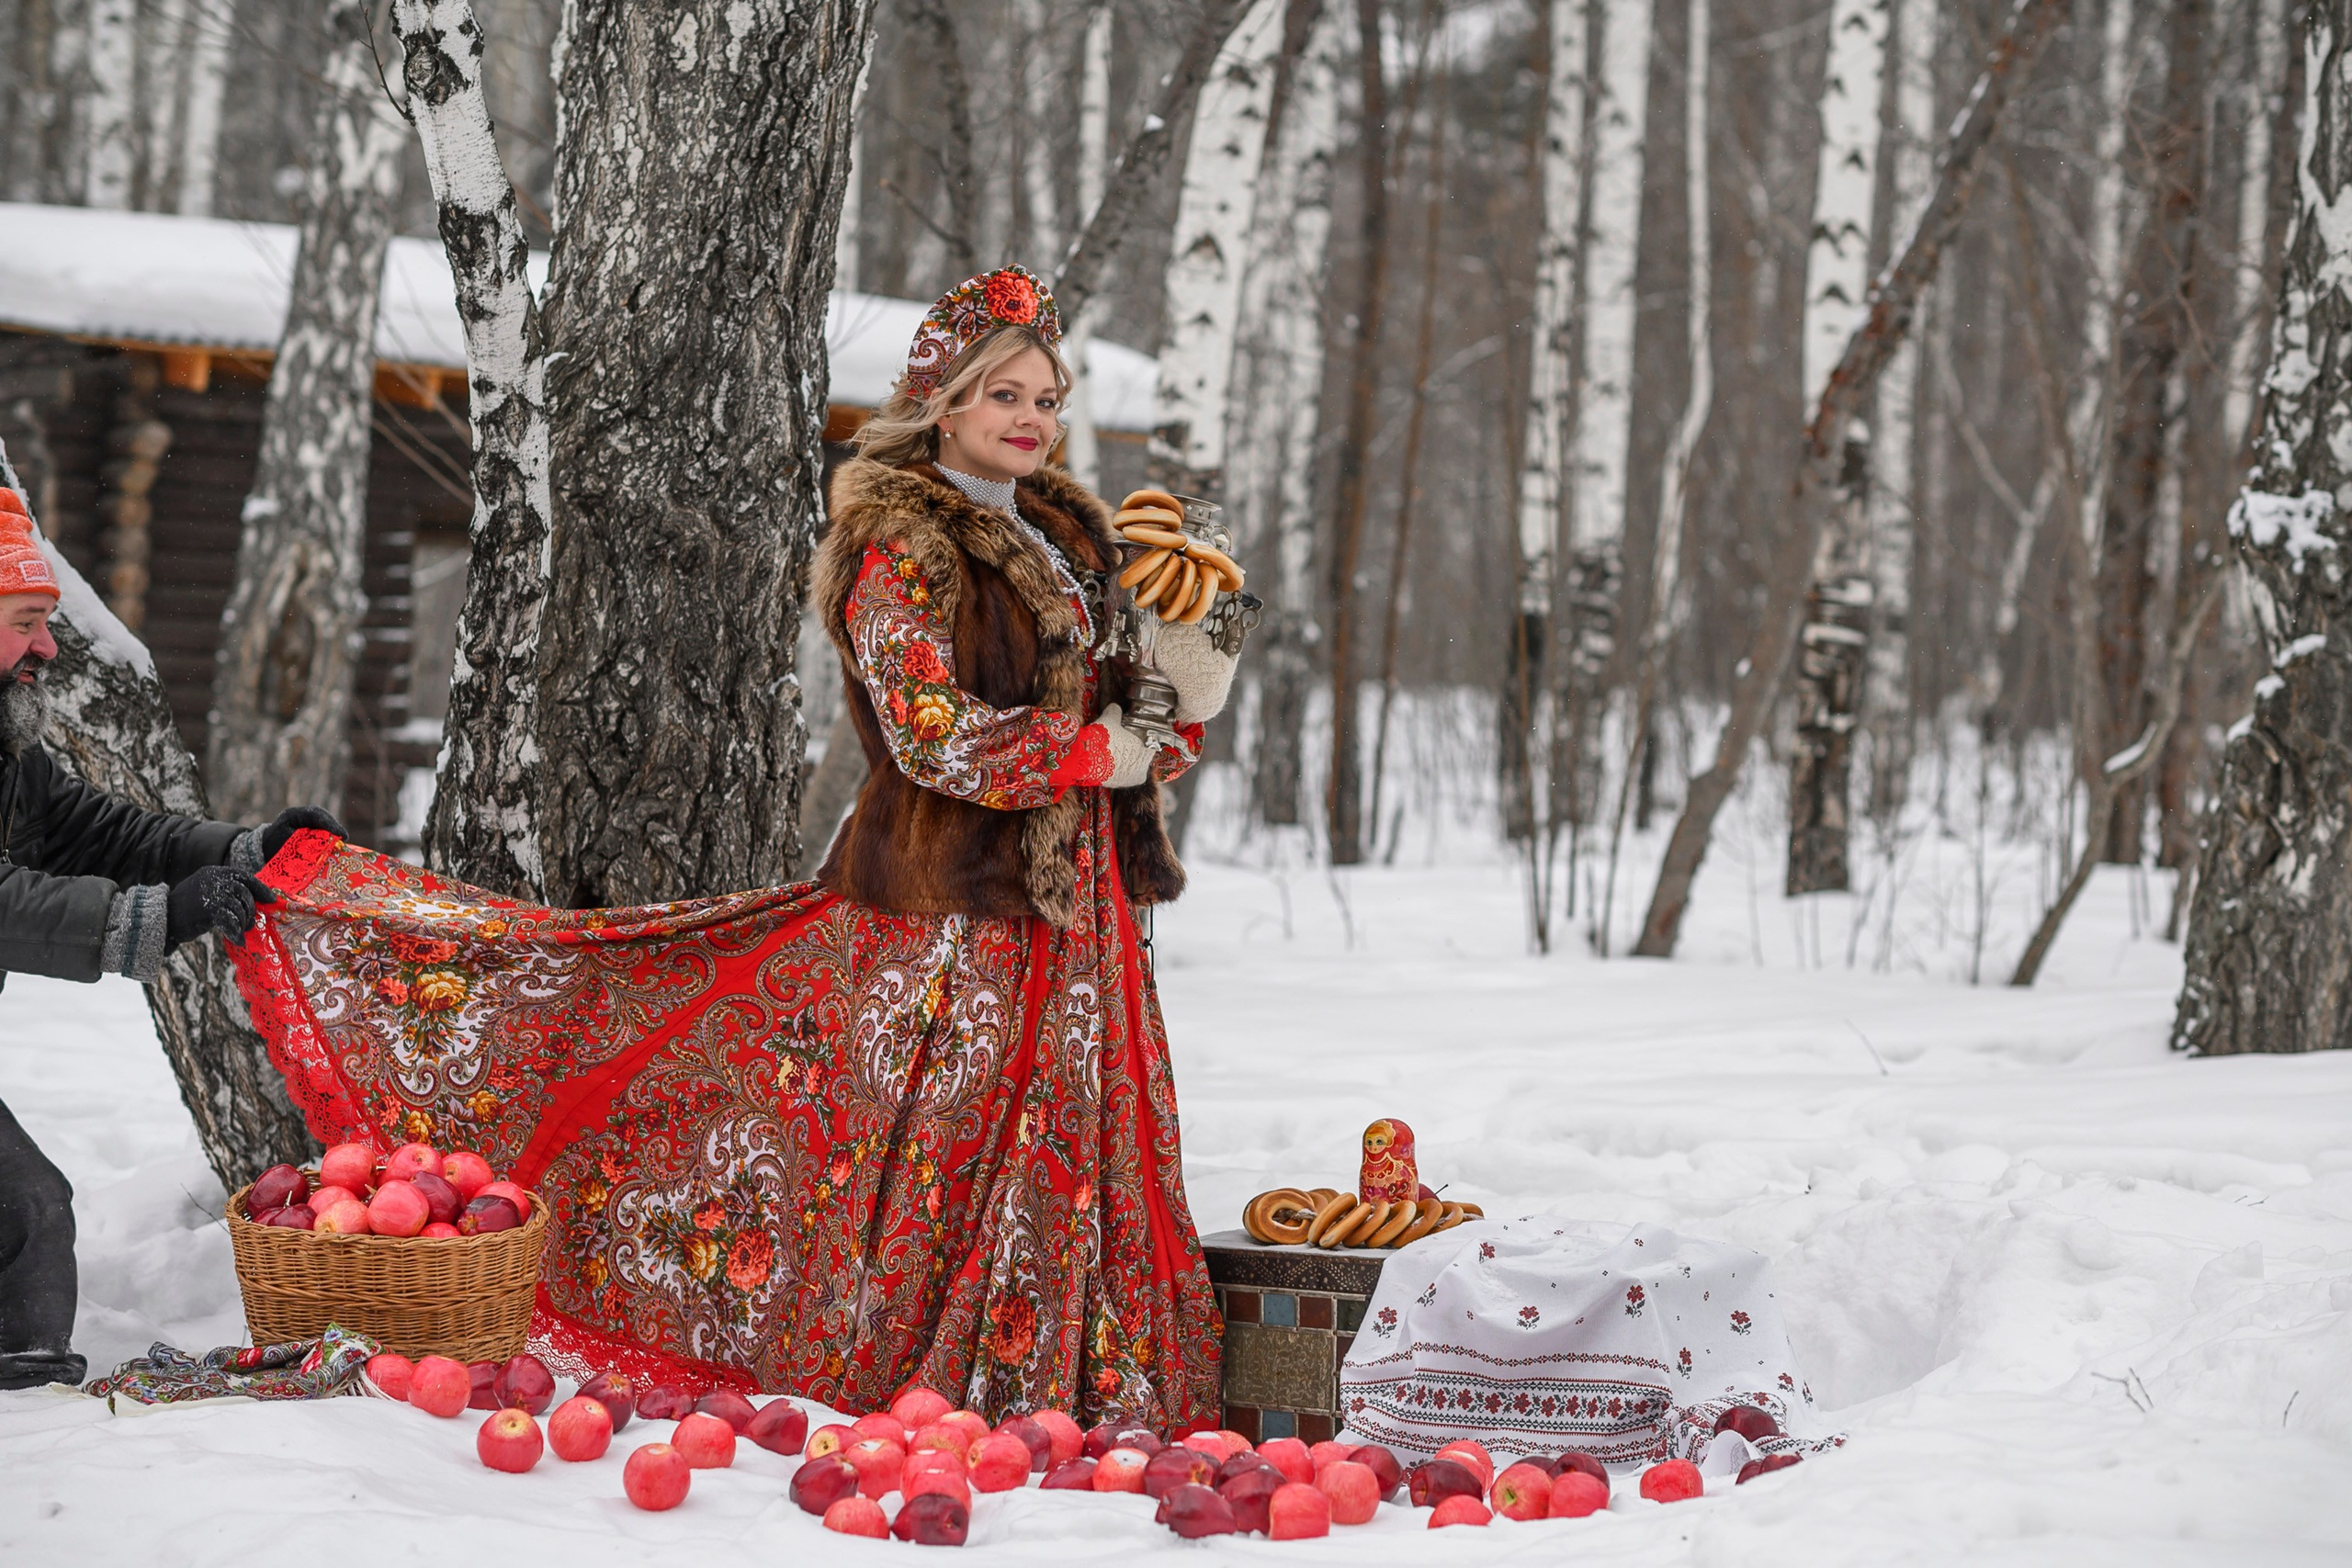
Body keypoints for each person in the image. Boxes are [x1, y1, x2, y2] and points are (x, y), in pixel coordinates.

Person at [226, 266, 1234, 1429]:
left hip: (1081, 906)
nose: (1030, 419)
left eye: (1047, 398)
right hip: (955, 907)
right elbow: (928, 733)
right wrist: (1092, 755)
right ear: (942, 404)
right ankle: (938, 1388)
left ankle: (1069, 1385)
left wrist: (1174, 709)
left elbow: (1124, 712)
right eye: (1001, 393)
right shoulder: (899, 540)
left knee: (1076, 1128)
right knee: (945, 1157)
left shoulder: (1068, 534)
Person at [0, 488, 343, 1391]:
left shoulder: (12, 761)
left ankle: (25, 1389)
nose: (46, 647)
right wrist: (160, 918)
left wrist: (246, 849)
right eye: (27, 623)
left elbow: (112, 836)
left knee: (26, 1219)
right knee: (25, 1216)